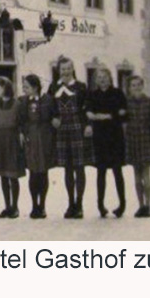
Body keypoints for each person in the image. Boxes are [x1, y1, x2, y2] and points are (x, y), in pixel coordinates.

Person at [49, 57, 92, 219]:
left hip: (77, 128)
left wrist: (88, 124)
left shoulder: (81, 87)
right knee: (67, 168)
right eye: (62, 69)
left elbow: (87, 107)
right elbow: (49, 107)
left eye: (68, 69)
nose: (65, 72)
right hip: (62, 130)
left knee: (79, 167)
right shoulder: (54, 87)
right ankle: (70, 203)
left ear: (73, 69)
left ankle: (79, 204)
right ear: (58, 71)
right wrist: (53, 117)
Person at [86, 69, 128, 218]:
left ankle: (122, 204)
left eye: (105, 77)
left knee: (117, 171)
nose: (102, 80)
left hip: (115, 137)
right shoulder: (93, 95)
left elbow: (123, 113)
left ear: (110, 79)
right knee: (101, 172)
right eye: (99, 77)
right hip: (100, 138)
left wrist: (105, 116)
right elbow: (89, 112)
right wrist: (99, 116)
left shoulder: (118, 93)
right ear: (96, 81)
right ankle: (100, 205)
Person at [123, 75, 150, 218]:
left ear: (142, 86)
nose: (136, 87)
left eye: (138, 85)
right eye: (133, 85)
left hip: (147, 140)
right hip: (133, 140)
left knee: (146, 173)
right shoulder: (126, 103)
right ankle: (140, 205)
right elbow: (123, 121)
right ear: (129, 88)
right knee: (136, 174)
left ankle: (148, 205)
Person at [19, 74, 54, 219]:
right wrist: (22, 132)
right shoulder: (24, 101)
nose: (24, 89)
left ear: (35, 87)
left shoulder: (47, 100)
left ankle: (43, 206)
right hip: (31, 137)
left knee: (43, 171)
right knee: (33, 171)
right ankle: (34, 205)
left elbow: (53, 116)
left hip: (45, 137)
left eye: (27, 87)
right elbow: (21, 119)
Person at [0, 77, 24, 219]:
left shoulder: (17, 104)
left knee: (12, 175)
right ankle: (7, 206)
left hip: (12, 139)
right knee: (3, 175)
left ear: (5, 88)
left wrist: (21, 133)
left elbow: (22, 121)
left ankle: (15, 207)